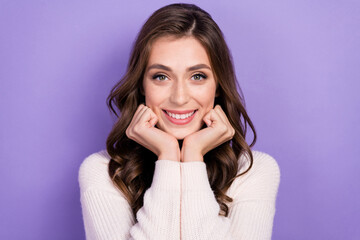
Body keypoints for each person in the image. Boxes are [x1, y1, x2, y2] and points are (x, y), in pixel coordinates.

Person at [78, 3, 280, 240]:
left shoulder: (253, 171)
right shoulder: (103, 172)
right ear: (142, 85)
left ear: (217, 86)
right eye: (161, 77)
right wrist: (169, 155)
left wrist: (193, 155)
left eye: (197, 76)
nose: (180, 97)